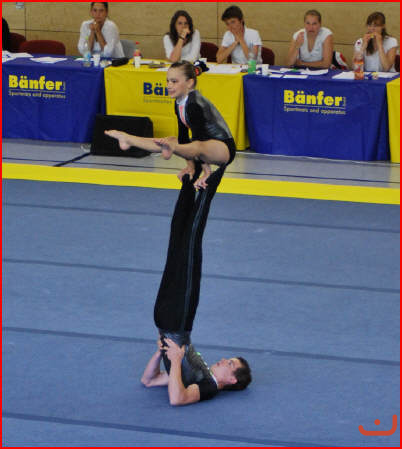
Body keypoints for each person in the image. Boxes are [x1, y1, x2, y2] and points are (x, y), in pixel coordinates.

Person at [141, 165, 251, 405]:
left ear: (232, 380)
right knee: (181, 244)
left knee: (185, 246)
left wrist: (168, 357)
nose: (224, 360)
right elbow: (152, 381)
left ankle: (206, 183)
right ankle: (193, 182)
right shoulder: (204, 374)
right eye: (229, 359)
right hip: (175, 321)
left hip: (172, 319)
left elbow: (172, 395)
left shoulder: (210, 388)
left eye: (230, 364)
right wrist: (166, 356)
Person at [105, 60, 236, 190]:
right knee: (171, 140)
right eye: (167, 81)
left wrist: (206, 172)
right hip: (204, 146)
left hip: (223, 148)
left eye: (174, 81)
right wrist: (190, 167)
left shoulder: (194, 104)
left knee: (191, 144)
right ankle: (129, 139)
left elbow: (199, 140)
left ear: (189, 83)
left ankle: (171, 147)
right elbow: (183, 137)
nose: (169, 85)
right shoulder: (179, 103)